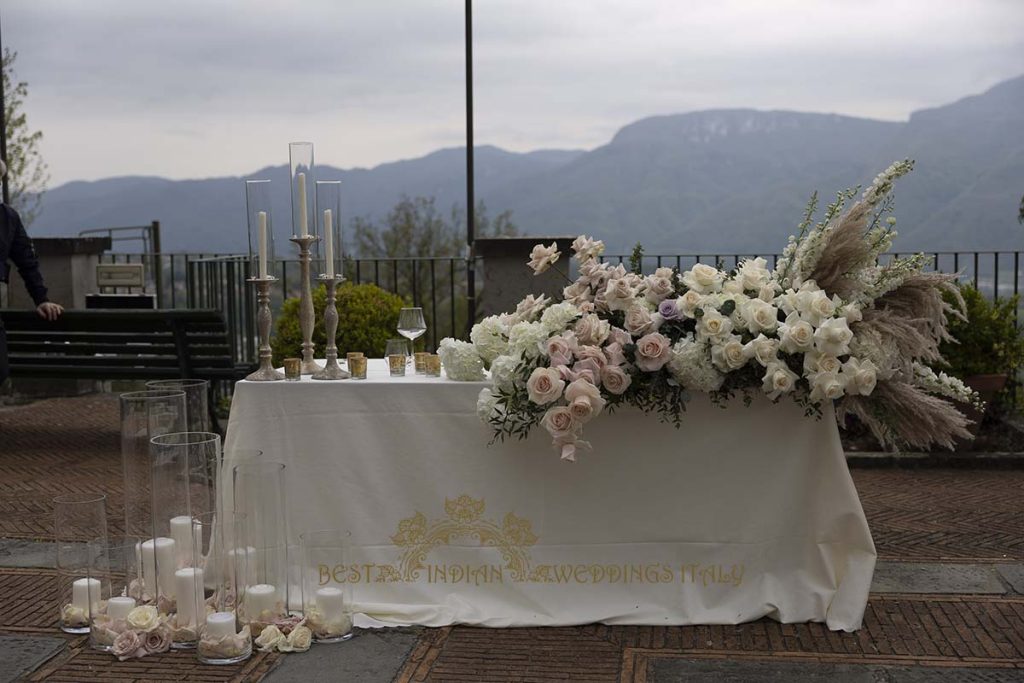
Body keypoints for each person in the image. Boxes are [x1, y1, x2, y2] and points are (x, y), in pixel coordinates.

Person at [0, 159, 64, 385]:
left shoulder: (8, 218)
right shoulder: (7, 218)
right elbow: (27, 261)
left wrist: (42, 299)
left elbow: (27, 260)